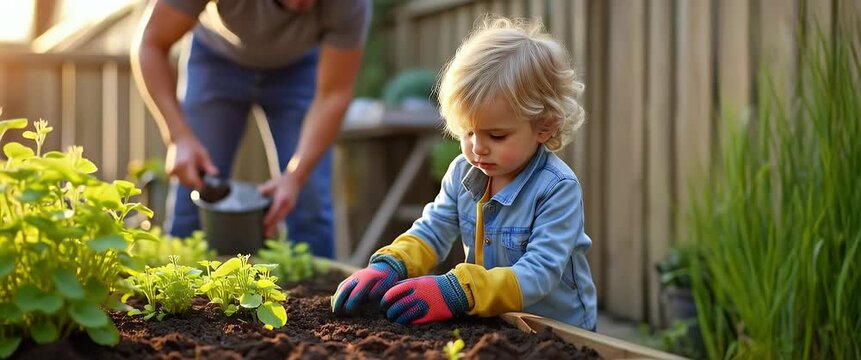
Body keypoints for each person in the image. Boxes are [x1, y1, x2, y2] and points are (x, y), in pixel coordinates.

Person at [330, 17, 597, 330]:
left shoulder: (556, 188)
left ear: (544, 126)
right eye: (468, 132)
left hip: (556, 328)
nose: (478, 148)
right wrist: (391, 264)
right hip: (495, 319)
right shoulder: (462, 172)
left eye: (496, 136)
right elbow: (433, 230)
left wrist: (458, 290)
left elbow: (539, 274)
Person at [130, 0, 371, 258]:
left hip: (299, 67)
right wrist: (178, 137)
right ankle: (176, 292)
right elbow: (151, 43)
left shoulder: (350, 4)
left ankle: (323, 296)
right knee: (195, 194)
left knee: (308, 203)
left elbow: (333, 95)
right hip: (216, 58)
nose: (305, 3)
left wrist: (295, 176)